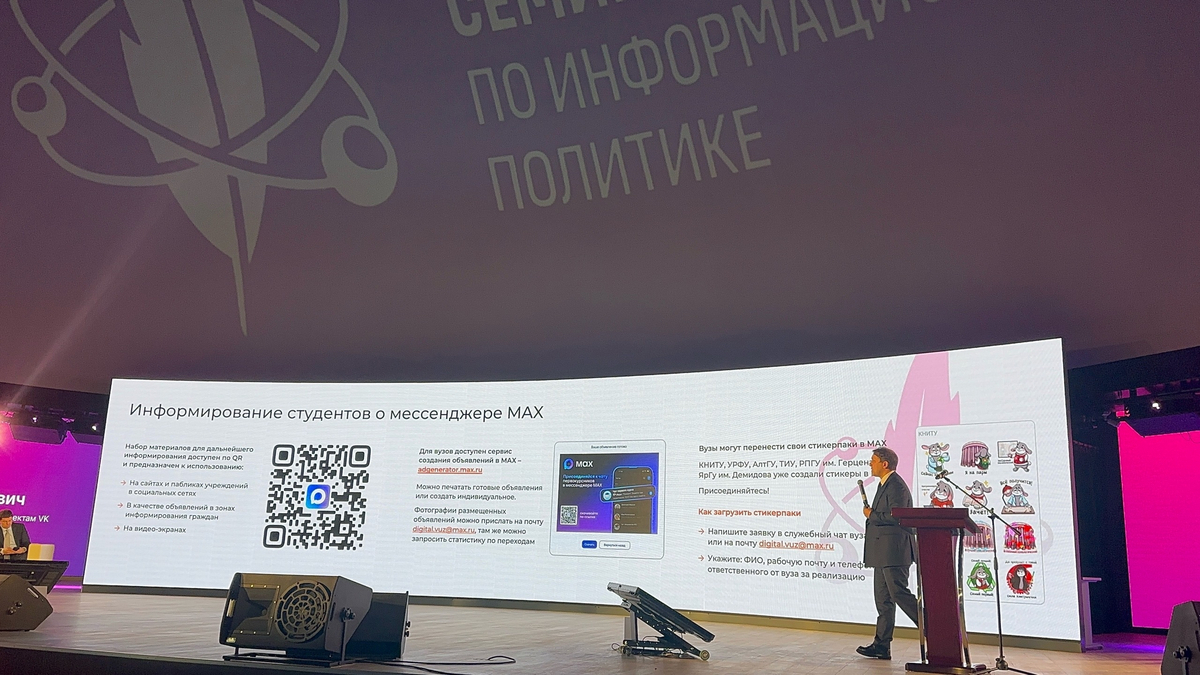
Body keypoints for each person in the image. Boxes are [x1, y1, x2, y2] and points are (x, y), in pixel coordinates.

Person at [856, 446, 920, 660]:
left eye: (873, 460)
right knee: (883, 601)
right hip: (882, 553)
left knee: (899, 594)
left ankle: (934, 628)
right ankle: (881, 645)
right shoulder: (885, 484)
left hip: (894, 552)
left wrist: (871, 515)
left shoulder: (896, 485)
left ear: (884, 464)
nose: (870, 464)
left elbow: (897, 516)